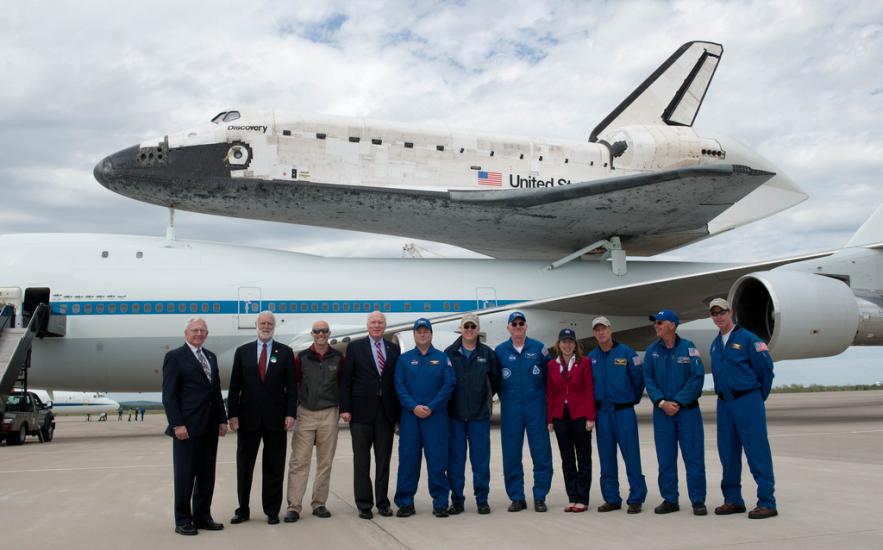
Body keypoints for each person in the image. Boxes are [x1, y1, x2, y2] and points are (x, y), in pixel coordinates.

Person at [708, 298, 778, 519]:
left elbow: (766, 371)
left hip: (747, 401)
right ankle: (733, 500)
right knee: (727, 453)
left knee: (756, 451)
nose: (719, 317)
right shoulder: (715, 343)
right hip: (724, 403)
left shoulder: (749, 339)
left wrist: (756, 398)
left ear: (731, 312)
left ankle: (767, 501)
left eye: (722, 312)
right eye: (714, 314)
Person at [227, 311, 297, 525]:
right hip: (248, 419)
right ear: (256, 325)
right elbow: (234, 386)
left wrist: (290, 413)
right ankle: (243, 509)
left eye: (270, 323)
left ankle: (272, 510)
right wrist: (233, 414)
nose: (266, 326)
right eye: (262, 323)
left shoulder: (285, 352)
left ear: (274, 326)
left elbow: (291, 388)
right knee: (244, 466)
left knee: (274, 467)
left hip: (276, 419)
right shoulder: (243, 352)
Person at [161, 318, 228, 536]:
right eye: (195, 330)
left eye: (203, 330)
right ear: (186, 333)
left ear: (207, 334)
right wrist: (177, 424)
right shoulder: (174, 357)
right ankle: (182, 520)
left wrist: (221, 419)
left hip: (209, 427)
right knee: (185, 475)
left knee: (207, 475)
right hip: (187, 428)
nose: (199, 333)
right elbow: (169, 396)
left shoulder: (211, 357)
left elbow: (215, 392)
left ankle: (202, 516)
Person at [642, 309, 707, 516]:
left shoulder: (689, 348)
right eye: (656, 323)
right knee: (666, 458)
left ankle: (697, 500)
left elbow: (696, 378)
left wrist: (677, 402)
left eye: (660, 322)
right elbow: (648, 379)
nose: (656, 326)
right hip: (662, 414)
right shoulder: (652, 351)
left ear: (672, 325)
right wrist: (661, 402)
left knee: (694, 457)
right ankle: (670, 499)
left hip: (687, 412)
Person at [340, 310, 401, 519]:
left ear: (385, 326)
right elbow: (346, 380)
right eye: (373, 322)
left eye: (380, 323)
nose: (377, 326)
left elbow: (395, 382)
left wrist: (398, 414)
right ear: (368, 326)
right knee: (362, 460)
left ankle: (383, 502)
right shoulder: (355, 347)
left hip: (386, 413)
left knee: (383, 460)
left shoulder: (393, 349)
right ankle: (364, 504)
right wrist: (345, 408)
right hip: (360, 413)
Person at [394, 318, 456, 518]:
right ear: (413, 335)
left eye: (426, 331)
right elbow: (399, 386)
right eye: (419, 331)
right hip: (410, 417)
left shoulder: (442, 358)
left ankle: (440, 503)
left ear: (431, 334)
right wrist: (413, 407)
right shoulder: (404, 359)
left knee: (438, 461)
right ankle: (405, 503)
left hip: (435, 418)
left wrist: (431, 406)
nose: (422, 334)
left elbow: (448, 385)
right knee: (408, 461)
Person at [285, 319, 343, 522]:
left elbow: (343, 385)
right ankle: (294, 506)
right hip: (306, 413)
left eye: (324, 331)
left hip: (329, 413)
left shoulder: (338, 357)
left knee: (325, 463)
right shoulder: (302, 358)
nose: (321, 334)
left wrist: (344, 410)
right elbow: (293, 385)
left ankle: (319, 503)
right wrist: (291, 412)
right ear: (312, 334)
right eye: (317, 331)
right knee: (299, 462)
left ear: (329, 333)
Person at [494, 311, 552, 513]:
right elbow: (495, 381)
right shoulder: (500, 351)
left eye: (521, 323)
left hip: (536, 406)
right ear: (508, 328)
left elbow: (549, 379)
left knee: (541, 452)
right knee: (511, 454)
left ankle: (540, 496)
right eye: (514, 324)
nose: (518, 327)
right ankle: (517, 497)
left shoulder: (539, 349)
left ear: (526, 326)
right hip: (511, 408)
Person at [589, 316, 647, 514]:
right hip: (602, 413)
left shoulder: (626, 353)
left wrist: (630, 399)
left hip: (623, 412)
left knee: (631, 456)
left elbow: (638, 380)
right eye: (597, 330)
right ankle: (612, 498)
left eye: (603, 328)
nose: (601, 333)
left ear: (610, 330)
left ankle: (636, 497)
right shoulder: (592, 358)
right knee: (606, 459)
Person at [444, 313, 499, 515]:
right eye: (466, 326)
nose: (469, 330)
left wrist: (483, 399)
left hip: (479, 416)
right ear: (461, 328)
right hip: (455, 416)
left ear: (477, 329)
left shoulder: (488, 353)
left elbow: (495, 381)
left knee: (480, 461)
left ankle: (482, 500)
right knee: (456, 461)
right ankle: (457, 500)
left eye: (473, 327)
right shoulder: (449, 353)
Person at [546, 328, 595, 513]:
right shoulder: (552, 365)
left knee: (583, 457)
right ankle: (572, 497)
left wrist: (591, 417)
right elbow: (550, 393)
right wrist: (550, 418)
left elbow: (589, 390)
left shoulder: (584, 363)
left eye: (570, 342)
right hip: (560, 416)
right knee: (567, 459)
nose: (567, 345)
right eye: (564, 341)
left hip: (580, 414)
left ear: (575, 345)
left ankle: (583, 498)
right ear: (558, 344)